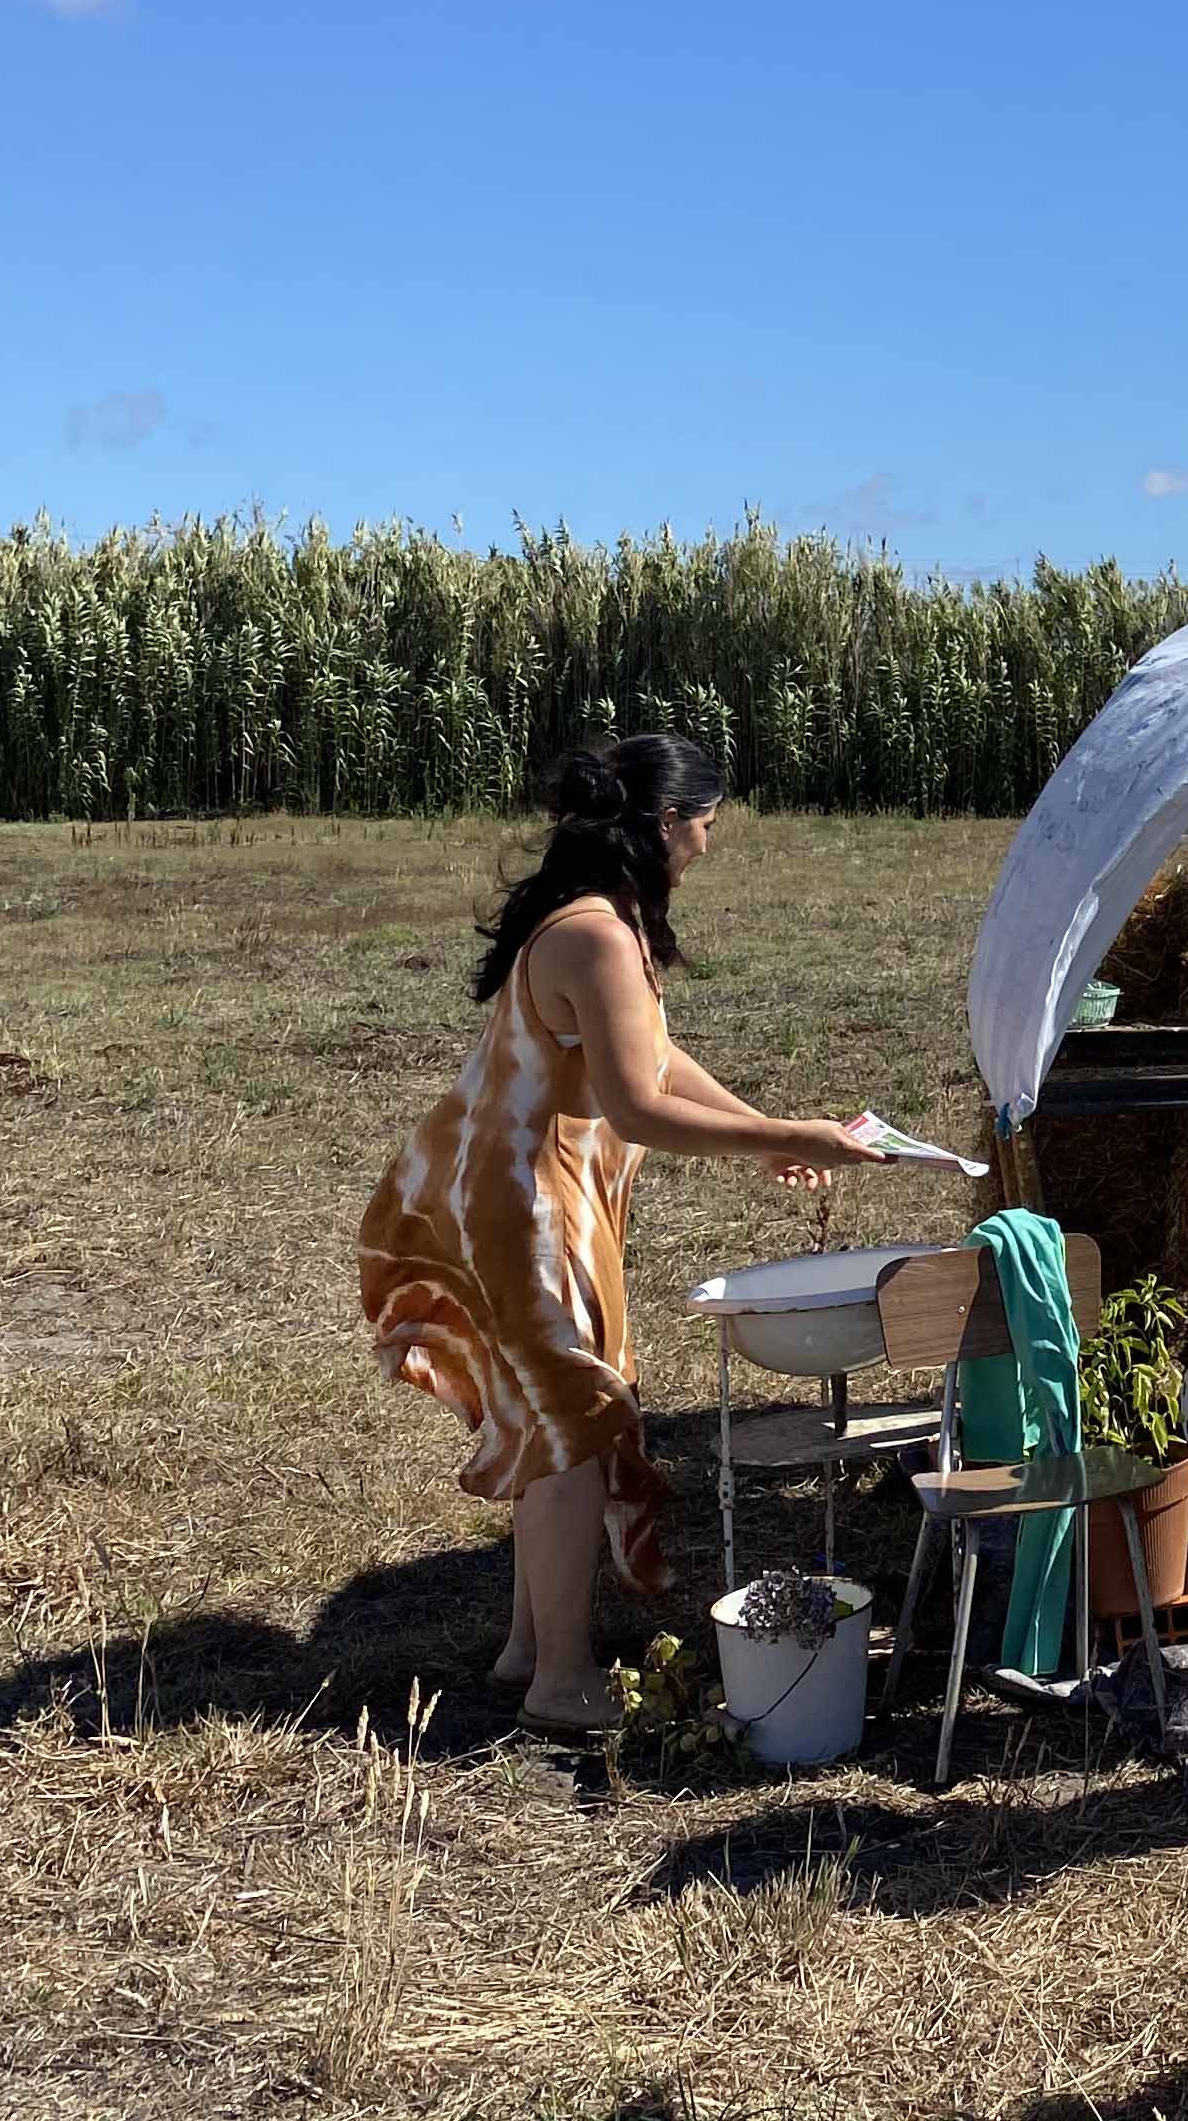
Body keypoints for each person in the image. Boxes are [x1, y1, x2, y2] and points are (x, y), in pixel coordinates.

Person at [357, 735, 885, 1739]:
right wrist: (788, 1134)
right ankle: (562, 1682)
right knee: (574, 1429)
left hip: (535, 1197)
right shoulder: (596, 935)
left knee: (553, 1420)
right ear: (664, 821)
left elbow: (656, 1059)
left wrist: (768, 1131)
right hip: (526, 1207)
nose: (707, 847)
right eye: (705, 825)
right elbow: (640, 1107)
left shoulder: (599, 921)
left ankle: (528, 1648)